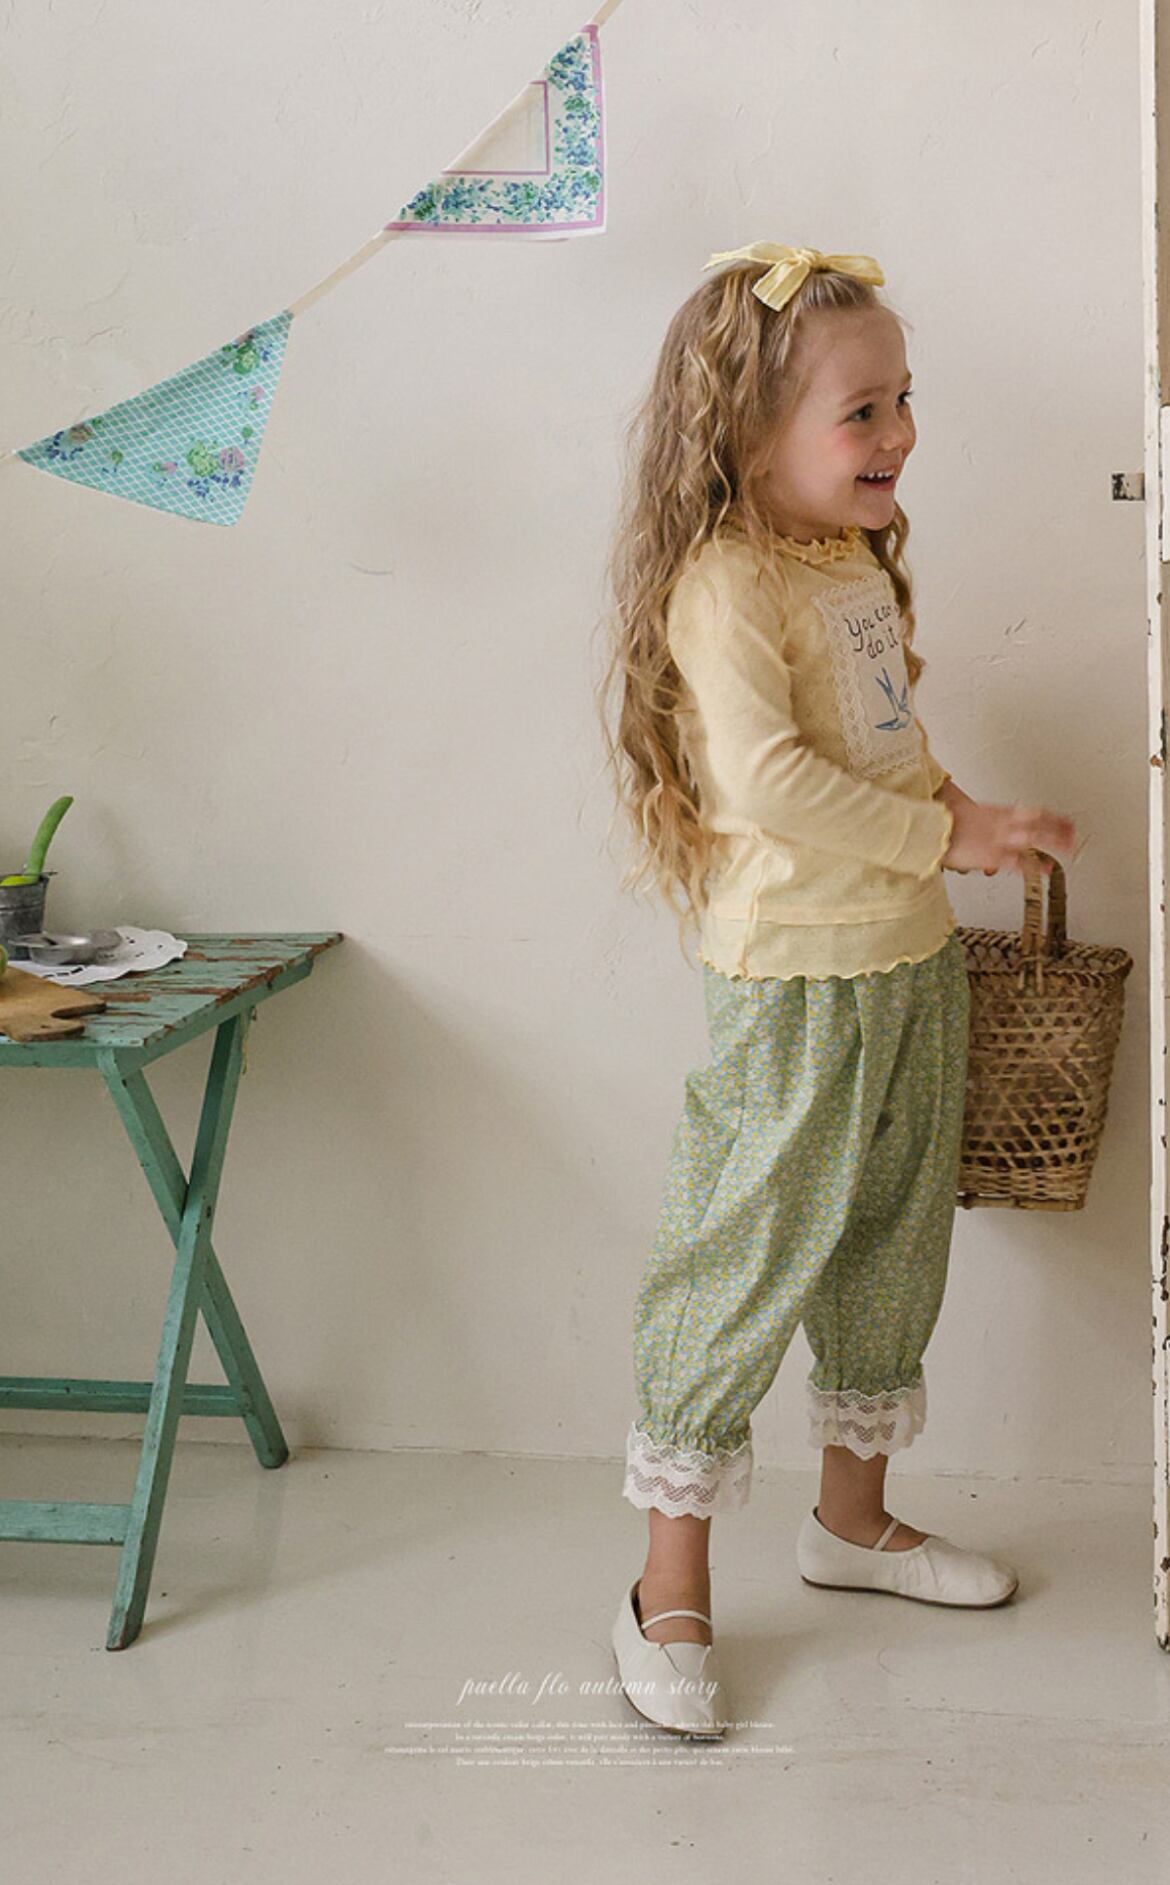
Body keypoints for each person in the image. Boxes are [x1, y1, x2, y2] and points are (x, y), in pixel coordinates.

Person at [594, 241, 1078, 1738]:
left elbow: (881, 741)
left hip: (909, 959)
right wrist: (949, 838)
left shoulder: (846, 563)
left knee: (889, 1242)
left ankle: (850, 1522)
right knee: (744, 1256)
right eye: (861, 411)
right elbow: (770, 782)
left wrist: (963, 813)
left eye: (903, 400)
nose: (899, 435)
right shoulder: (724, 583)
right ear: (746, 434)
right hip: (796, 979)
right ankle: (665, 1582)